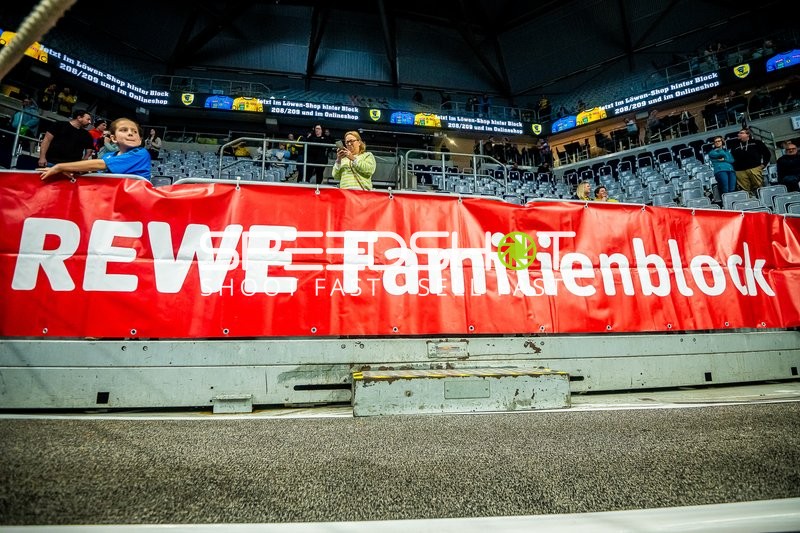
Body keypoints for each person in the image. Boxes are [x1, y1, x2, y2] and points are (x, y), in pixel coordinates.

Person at [38, 118, 151, 181]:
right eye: (124, 130)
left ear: (140, 140)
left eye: (135, 132)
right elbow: (94, 171)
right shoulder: (108, 155)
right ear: (114, 138)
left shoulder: (141, 154)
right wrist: (73, 170)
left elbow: (100, 165)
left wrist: (60, 166)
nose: (131, 133)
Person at [731, 129, 772, 195]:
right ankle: (751, 204)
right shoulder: (735, 146)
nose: (738, 134)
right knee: (745, 191)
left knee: (759, 188)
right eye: (739, 133)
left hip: (754, 169)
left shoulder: (756, 142)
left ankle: (762, 202)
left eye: (741, 133)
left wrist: (764, 164)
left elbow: (767, 154)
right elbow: (731, 158)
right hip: (740, 171)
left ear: (748, 134)